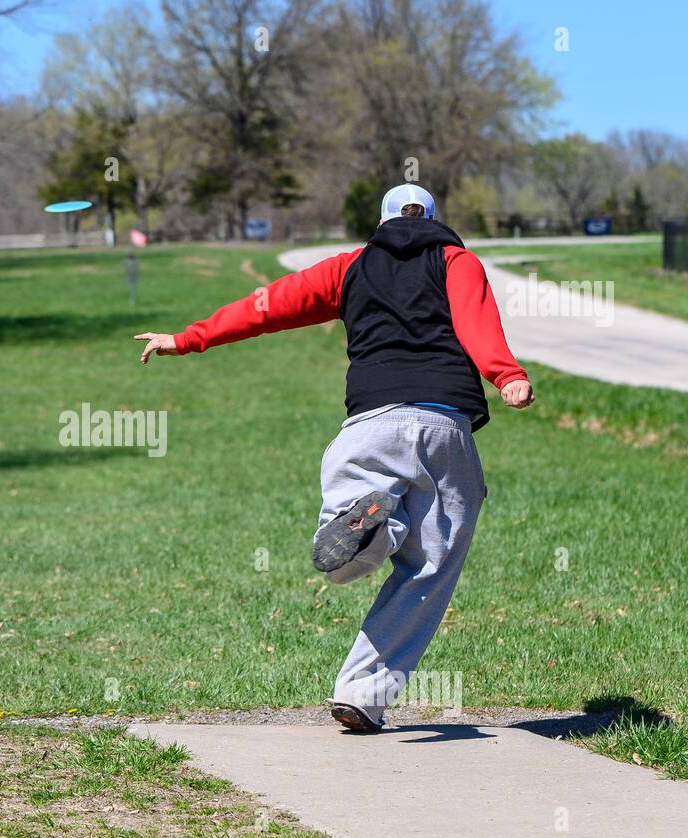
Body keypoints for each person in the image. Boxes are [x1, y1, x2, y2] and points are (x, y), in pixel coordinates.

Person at [133, 183, 534, 732]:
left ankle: (371, 525)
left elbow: (267, 306)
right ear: (436, 219)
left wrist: (189, 338)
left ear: (383, 220)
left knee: (347, 562)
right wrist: (506, 374)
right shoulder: (457, 261)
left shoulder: (349, 267)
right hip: (444, 424)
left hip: (368, 426)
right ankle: (362, 693)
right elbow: (474, 322)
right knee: (429, 569)